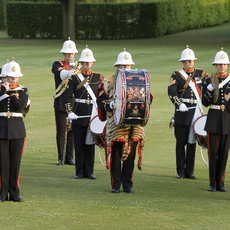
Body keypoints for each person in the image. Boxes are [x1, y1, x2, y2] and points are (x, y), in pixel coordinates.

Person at [97, 48, 152, 193]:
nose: (125, 68)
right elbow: (100, 100)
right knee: (116, 154)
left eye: (127, 66)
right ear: (117, 67)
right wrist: (109, 105)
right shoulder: (108, 81)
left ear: (131, 66)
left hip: (135, 123)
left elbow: (149, 97)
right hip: (116, 124)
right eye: (122, 66)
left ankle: (128, 184)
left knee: (131, 156)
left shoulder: (139, 80)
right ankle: (116, 184)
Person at [63, 45, 104, 179]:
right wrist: (69, 111)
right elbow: (67, 96)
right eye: (85, 62)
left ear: (92, 63)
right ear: (81, 63)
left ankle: (89, 171)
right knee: (79, 144)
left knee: (90, 144)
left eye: (89, 62)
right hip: (79, 113)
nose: (87, 64)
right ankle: (79, 172)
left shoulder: (98, 77)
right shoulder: (74, 78)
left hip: (93, 114)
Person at [168, 45, 208, 180]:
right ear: (182, 62)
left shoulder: (201, 73)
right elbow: (171, 91)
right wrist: (179, 104)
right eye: (186, 61)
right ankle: (180, 171)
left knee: (192, 142)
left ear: (194, 61)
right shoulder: (176, 75)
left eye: (190, 61)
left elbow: (209, 87)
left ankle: (189, 171)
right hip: (182, 111)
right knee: (181, 142)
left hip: (196, 111)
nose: (189, 63)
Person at [0, 58, 29, 202]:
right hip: (1, 129)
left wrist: (10, 92)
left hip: (17, 130)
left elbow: (20, 106)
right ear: (4, 77)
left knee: (15, 163)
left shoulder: (23, 90)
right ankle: (2, 193)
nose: (13, 79)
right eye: (11, 77)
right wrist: (4, 91)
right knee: (3, 163)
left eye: (15, 77)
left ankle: (14, 193)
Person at [203, 48, 230, 192]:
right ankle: (212, 183)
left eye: (224, 64)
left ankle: (221, 182)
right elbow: (205, 103)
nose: (222, 66)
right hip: (213, 119)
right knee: (212, 153)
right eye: (219, 64)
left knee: (224, 154)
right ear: (215, 65)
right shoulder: (208, 80)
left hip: (227, 119)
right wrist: (208, 91)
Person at [52, 38, 78, 166]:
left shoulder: (79, 65)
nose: (70, 56)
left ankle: (69, 157)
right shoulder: (57, 64)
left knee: (72, 131)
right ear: (64, 54)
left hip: (73, 101)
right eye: (67, 53)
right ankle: (60, 157)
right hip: (61, 101)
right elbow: (61, 74)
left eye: (72, 53)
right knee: (61, 130)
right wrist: (70, 72)